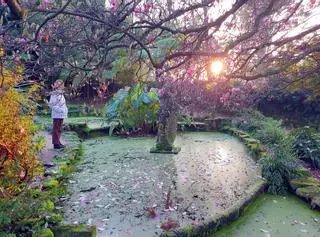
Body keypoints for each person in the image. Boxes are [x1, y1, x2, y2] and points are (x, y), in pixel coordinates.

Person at [48, 80, 68, 149]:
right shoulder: (54, 94)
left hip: (61, 114)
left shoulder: (61, 94)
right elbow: (51, 105)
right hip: (57, 114)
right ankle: (56, 144)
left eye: (61, 85)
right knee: (56, 129)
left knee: (59, 129)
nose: (60, 86)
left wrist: (65, 111)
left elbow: (63, 104)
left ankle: (58, 142)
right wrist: (60, 110)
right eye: (58, 84)